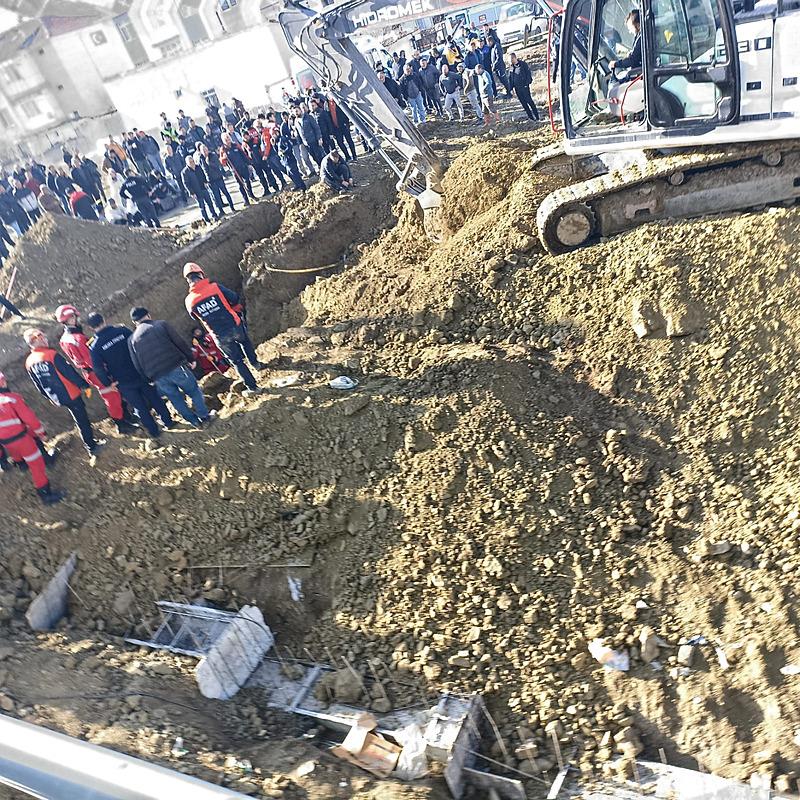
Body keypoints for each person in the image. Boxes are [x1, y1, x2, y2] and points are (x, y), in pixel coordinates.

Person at [87, 312, 174, 439]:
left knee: (139, 406)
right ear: (104, 320)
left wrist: (108, 383)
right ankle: (168, 422)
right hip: (139, 371)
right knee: (154, 397)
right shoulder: (122, 331)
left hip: (122, 381)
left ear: (90, 328)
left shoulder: (95, 346)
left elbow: (98, 369)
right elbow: (137, 345)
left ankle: (154, 432)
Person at [183, 262, 265, 395]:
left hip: (219, 335)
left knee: (236, 361)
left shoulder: (189, 301)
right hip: (234, 325)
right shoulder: (215, 287)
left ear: (188, 280)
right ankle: (256, 364)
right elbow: (234, 298)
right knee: (244, 342)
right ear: (201, 274)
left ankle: (253, 388)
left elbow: (195, 317)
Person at [55, 304, 136, 435]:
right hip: (96, 372)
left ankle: (125, 417)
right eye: (73, 316)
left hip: (90, 372)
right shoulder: (78, 338)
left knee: (114, 395)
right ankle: (121, 424)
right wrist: (106, 373)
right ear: (69, 318)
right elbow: (91, 360)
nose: (76, 318)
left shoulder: (65, 338)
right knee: (112, 396)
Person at [128, 307, 214, 429]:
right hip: (176, 366)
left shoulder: (131, 340)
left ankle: (194, 422)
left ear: (134, 322)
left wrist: (148, 379)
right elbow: (179, 342)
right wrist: (190, 358)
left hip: (157, 376)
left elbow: (136, 363)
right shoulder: (161, 325)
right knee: (193, 390)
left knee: (175, 398)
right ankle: (204, 417)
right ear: (148, 315)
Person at [23, 328, 104, 457]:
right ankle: (91, 447)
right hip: (71, 393)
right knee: (82, 420)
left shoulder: (29, 362)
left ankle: (90, 441)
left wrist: (50, 397)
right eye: (43, 336)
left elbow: (39, 385)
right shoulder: (51, 355)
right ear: (38, 339)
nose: (46, 338)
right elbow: (69, 373)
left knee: (78, 418)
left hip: (58, 397)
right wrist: (84, 385)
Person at [0, 371, 64, 505]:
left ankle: (21, 464)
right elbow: (30, 419)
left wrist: (2, 459)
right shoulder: (12, 399)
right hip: (22, 441)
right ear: (3, 382)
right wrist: (41, 434)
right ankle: (46, 495)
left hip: (6, 444)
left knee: (17, 452)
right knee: (37, 465)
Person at [182, 155, 220, 224]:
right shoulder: (185, 172)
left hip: (203, 188)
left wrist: (205, 182)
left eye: (193, 161)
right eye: (190, 162)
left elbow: (203, 175)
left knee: (210, 203)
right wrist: (191, 193)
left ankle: (214, 215)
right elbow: (186, 184)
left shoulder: (198, 167)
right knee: (202, 207)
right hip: (196, 192)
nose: (192, 163)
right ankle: (207, 220)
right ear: (187, 163)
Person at [198, 145, 234, 216]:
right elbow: (202, 171)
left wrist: (209, 163)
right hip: (210, 181)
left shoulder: (213, 155)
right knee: (216, 197)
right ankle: (221, 211)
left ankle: (232, 207)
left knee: (225, 192)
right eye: (203, 151)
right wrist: (205, 181)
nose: (205, 152)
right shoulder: (201, 159)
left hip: (218, 178)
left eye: (206, 150)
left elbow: (218, 165)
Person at [220, 133, 255, 206]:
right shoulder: (223, 149)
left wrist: (248, 163)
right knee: (240, 185)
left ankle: (251, 195)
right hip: (235, 170)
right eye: (226, 139)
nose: (228, 140)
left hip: (243, 166)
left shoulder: (235, 145)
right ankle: (246, 200)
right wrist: (224, 158)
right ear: (223, 141)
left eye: (228, 138)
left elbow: (243, 154)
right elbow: (222, 162)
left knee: (247, 181)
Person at [326, 94, 358, 162]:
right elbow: (327, 116)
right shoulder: (327, 104)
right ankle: (347, 156)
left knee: (349, 140)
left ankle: (354, 155)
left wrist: (347, 122)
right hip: (335, 127)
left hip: (343, 124)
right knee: (340, 143)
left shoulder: (339, 100)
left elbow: (346, 111)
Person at [509, 53, 539, 121]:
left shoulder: (523, 64)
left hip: (524, 87)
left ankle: (537, 117)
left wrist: (527, 84)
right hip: (517, 88)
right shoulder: (511, 67)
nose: (511, 61)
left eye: (511, 59)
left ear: (514, 58)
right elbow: (510, 79)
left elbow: (528, 74)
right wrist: (511, 88)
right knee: (524, 104)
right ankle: (531, 118)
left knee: (529, 101)